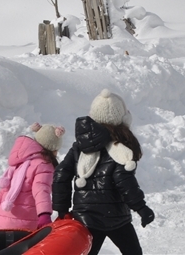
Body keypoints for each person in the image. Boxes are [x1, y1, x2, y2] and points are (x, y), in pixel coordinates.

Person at [53, 90, 155, 255]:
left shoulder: (80, 146)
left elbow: (61, 175)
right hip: (116, 217)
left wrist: (62, 209)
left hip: (86, 217)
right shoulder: (121, 147)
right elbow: (124, 182)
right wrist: (142, 208)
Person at [0, 123, 65, 233]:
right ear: (53, 148)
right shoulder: (44, 165)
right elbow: (41, 191)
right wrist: (44, 215)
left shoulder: (19, 164)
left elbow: (2, 194)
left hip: (1, 227)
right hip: (24, 229)